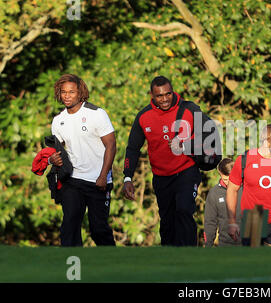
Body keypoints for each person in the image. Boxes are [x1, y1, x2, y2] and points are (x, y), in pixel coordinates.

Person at [122, 76, 202, 246]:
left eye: (168, 94)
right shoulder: (144, 116)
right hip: (161, 176)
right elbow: (132, 149)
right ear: (152, 95)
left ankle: (190, 258)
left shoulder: (190, 109)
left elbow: (208, 135)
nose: (165, 99)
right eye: (159, 96)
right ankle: (169, 258)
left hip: (186, 171)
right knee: (167, 220)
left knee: (184, 211)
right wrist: (127, 177)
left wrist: (192, 146)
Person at [49, 74, 116, 247]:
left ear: (81, 92)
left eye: (71, 92)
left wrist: (103, 176)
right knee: (69, 226)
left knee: (99, 229)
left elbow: (111, 146)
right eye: (63, 92)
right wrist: (52, 159)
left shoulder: (97, 114)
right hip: (73, 180)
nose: (67, 95)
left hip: (98, 181)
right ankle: (73, 270)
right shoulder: (58, 121)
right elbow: (59, 152)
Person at [204, 158, 242, 247]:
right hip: (226, 245)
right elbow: (210, 222)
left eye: (232, 179)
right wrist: (207, 246)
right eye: (226, 179)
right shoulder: (214, 193)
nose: (230, 183)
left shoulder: (247, 188)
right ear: (220, 173)